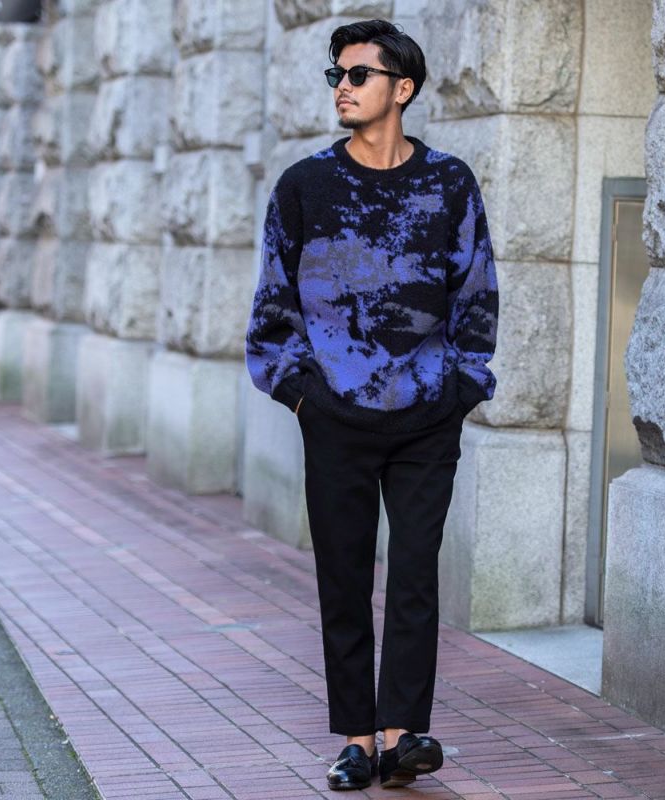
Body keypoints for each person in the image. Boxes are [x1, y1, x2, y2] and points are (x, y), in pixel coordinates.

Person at [245, 18, 498, 791]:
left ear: (403, 88)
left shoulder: (449, 183)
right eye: (337, 75)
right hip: (336, 419)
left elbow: (477, 291)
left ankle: (402, 734)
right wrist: (304, 399)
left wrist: (462, 388)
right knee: (345, 579)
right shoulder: (304, 186)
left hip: (427, 419)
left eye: (359, 74)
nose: (343, 88)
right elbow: (271, 312)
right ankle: (358, 740)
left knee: (415, 575)